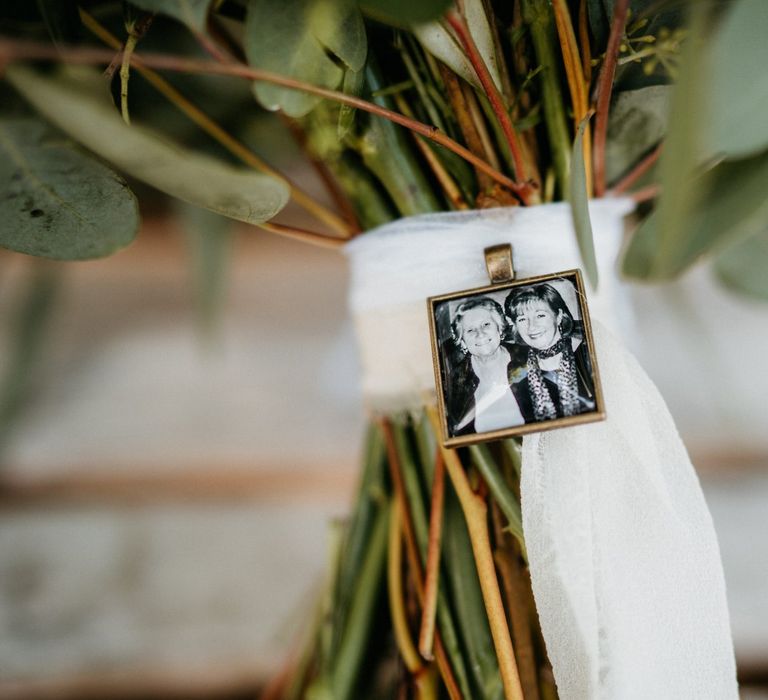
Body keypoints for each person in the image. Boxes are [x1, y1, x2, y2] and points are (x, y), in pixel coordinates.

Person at [505, 283, 595, 422]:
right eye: (522, 319)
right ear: (515, 326)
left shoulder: (585, 352)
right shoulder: (517, 370)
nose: (531, 326)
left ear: (558, 316)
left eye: (540, 315)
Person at [444, 296, 526, 436]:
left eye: (486, 325)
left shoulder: (526, 357)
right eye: (470, 330)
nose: (480, 334)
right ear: (462, 341)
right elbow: (458, 430)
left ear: (499, 329)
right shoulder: (457, 378)